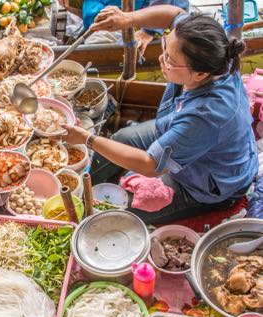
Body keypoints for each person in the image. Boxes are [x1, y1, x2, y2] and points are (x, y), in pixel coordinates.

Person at [60, 5, 258, 224]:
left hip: (208, 181)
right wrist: (128, 18)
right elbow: (174, 15)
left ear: (201, 74)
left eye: (171, 61)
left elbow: (151, 165)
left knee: (124, 210)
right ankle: (84, 190)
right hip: (176, 128)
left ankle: (97, 210)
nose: (162, 59)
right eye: (165, 46)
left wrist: (88, 138)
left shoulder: (206, 115)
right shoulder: (212, 48)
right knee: (123, 138)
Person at [60, 0, 189, 55]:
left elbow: (172, 13)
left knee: (98, 42)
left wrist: (148, 32)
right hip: (102, 11)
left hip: (145, 16)